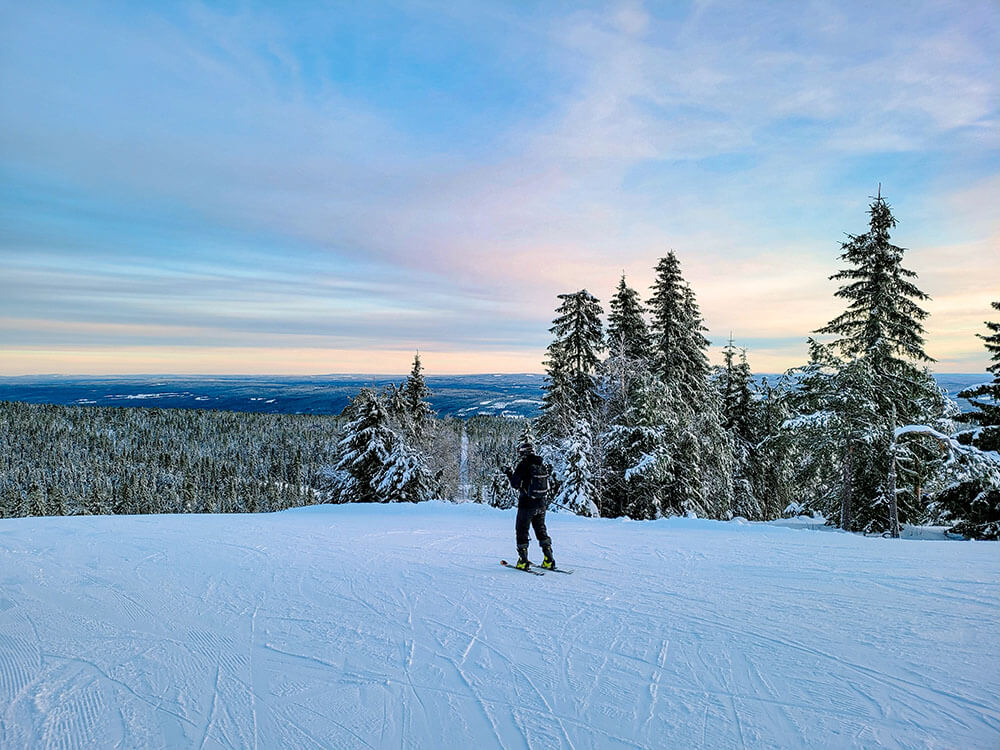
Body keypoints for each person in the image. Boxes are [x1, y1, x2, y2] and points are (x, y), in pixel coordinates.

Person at [504, 441, 555, 570]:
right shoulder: (540, 464)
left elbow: (515, 484)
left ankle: (523, 561)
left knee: (522, 531)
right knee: (541, 530)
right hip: (541, 504)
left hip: (526, 504)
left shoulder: (523, 465)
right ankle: (549, 559)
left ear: (523, 453)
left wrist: (509, 473)